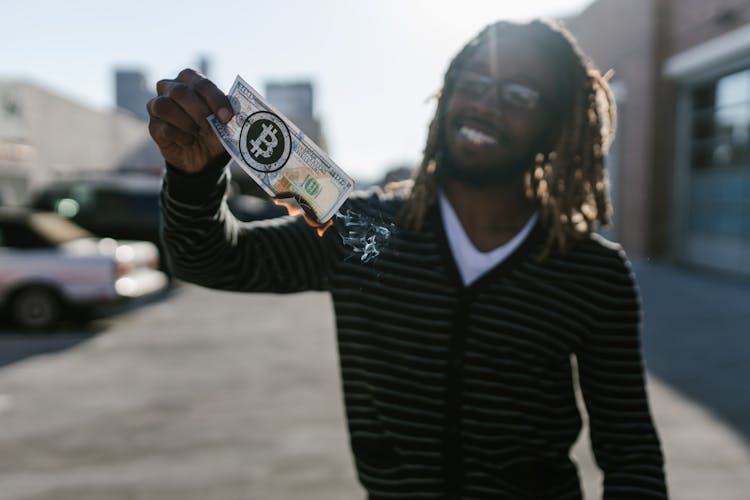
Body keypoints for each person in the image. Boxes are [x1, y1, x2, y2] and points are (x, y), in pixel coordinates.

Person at [147, 19, 668, 500]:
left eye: (519, 94)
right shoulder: (366, 231)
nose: (486, 105)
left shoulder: (590, 271)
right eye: (473, 83)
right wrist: (193, 181)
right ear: (446, 97)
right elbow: (212, 260)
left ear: (557, 124)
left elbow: (630, 451)